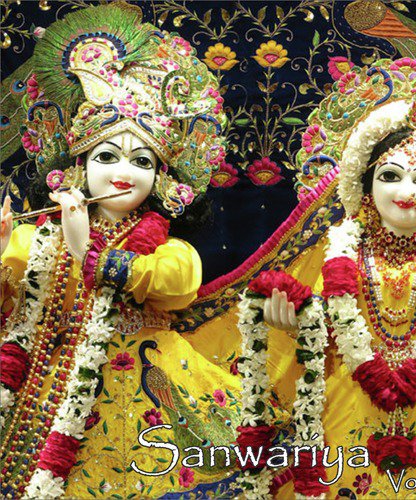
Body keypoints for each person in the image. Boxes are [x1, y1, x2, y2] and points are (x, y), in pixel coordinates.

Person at [182, 58, 416, 498]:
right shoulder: (340, 255)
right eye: (390, 176)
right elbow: (316, 338)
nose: (406, 192)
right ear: (364, 186)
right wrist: (292, 325)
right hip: (344, 423)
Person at [0, 4, 239, 498]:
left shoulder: (170, 250)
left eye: (142, 161)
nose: (123, 173)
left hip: (131, 399)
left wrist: (86, 250)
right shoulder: (34, 240)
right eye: (107, 156)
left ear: (162, 179)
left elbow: (176, 285)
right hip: (33, 393)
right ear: (78, 166)